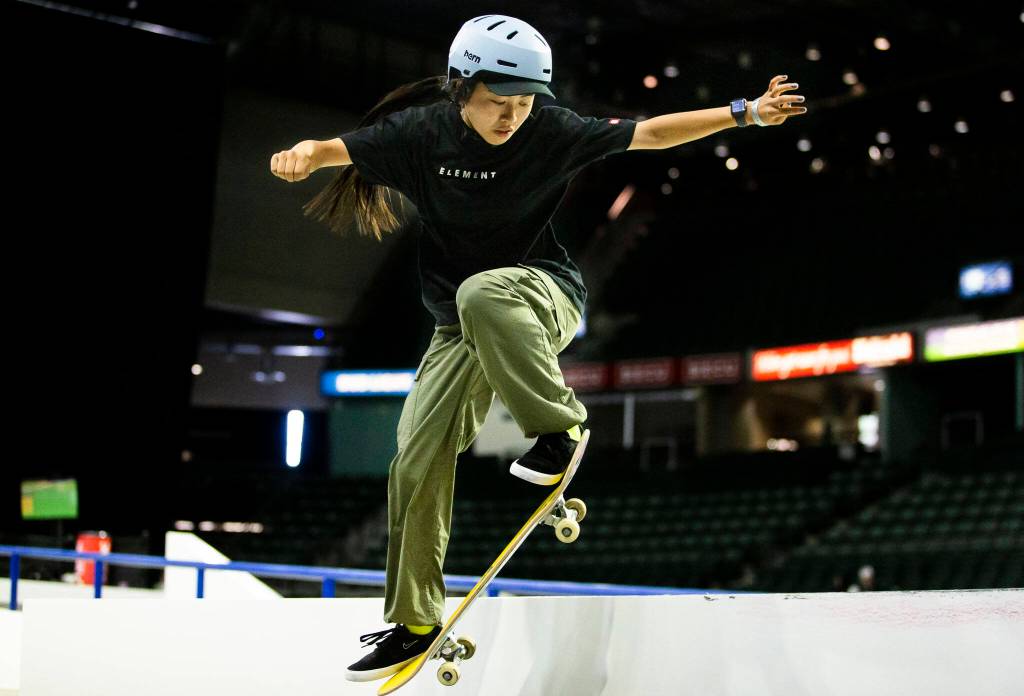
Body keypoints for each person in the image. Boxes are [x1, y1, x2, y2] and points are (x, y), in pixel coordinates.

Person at [270, 14, 806, 682]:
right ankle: (413, 621)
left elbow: (652, 133)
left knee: (483, 293)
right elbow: (337, 149)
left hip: (540, 298)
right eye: (499, 104)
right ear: (462, 88)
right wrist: (303, 154)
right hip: (459, 326)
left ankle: (560, 427)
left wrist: (744, 113)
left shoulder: (551, 131)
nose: (512, 118)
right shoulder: (420, 135)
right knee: (413, 457)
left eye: (523, 105)